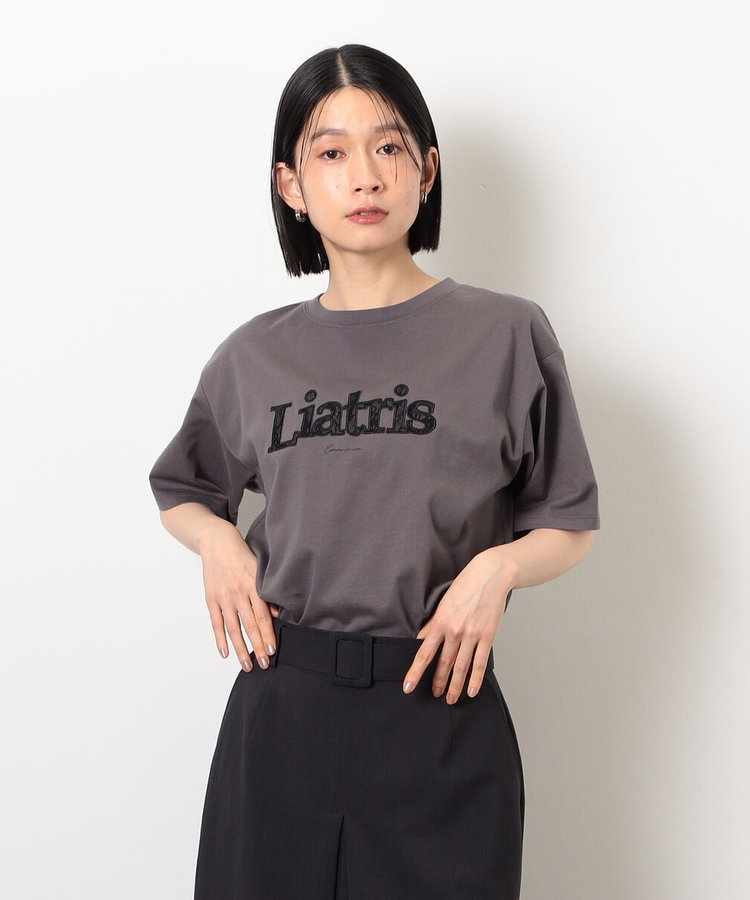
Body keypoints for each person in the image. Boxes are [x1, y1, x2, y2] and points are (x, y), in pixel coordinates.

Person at [149, 43, 600, 900]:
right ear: (291, 185)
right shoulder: (254, 355)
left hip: (440, 708)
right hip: (282, 714)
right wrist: (216, 542)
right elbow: (184, 490)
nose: (365, 176)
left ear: (426, 169)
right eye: (332, 152)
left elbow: (567, 519)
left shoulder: (505, 334)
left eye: (389, 146)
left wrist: (498, 569)